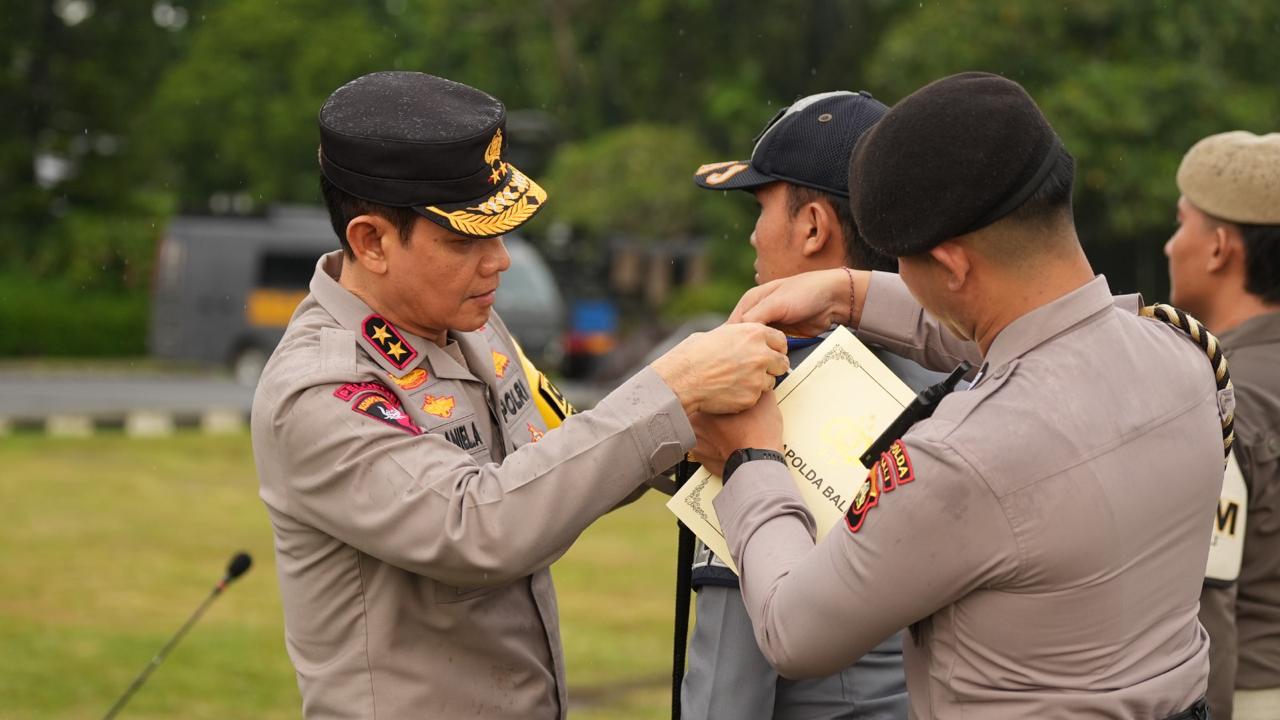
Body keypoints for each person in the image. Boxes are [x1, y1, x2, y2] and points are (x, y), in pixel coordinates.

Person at [251, 71, 790, 720]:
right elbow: (478, 528)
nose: (499, 260)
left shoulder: (464, 321)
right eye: (465, 239)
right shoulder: (320, 388)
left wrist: (702, 432)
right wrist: (672, 390)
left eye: (500, 231)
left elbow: (554, 450)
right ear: (371, 242)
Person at [692, 72, 1232, 718]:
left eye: (903, 260)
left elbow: (793, 630)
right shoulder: (1184, 359)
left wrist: (751, 460)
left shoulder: (957, 459)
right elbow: (1028, 338)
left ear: (951, 265)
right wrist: (849, 293)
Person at [682, 90, 932, 720]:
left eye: (761, 207)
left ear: (814, 226)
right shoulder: (957, 376)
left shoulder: (772, 404)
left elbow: (726, 687)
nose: (752, 234)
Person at [1165, 130, 1280, 720]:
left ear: (1217, 248)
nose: (1169, 245)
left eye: (1180, 223)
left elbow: (1208, 603)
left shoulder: (1219, 392)